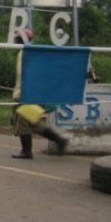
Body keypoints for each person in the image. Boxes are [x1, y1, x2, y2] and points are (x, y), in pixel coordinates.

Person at [11, 28, 68, 158]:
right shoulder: (30, 52)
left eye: (18, 39)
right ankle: (59, 140)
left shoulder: (26, 52)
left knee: (22, 121)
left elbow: (24, 75)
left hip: (26, 93)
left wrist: (21, 94)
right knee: (34, 122)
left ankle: (26, 151)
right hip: (29, 92)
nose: (16, 41)